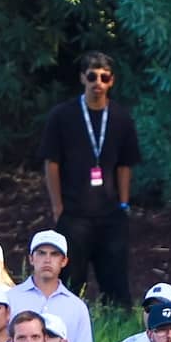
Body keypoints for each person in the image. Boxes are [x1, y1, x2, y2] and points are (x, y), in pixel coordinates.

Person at [41, 51, 138, 302]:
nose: (98, 83)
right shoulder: (62, 116)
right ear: (82, 78)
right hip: (74, 212)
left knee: (116, 283)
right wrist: (57, 207)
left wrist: (124, 204)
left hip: (111, 213)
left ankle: (117, 320)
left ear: (111, 81)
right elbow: (52, 162)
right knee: (71, 282)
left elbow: (125, 164)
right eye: (92, 76)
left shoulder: (121, 117)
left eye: (104, 77)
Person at [8, 231, 96, 342]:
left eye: (54, 254)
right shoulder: (10, 298)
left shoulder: (77, 307)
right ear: (31, 259)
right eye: (41, 253)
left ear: (64, 261)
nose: (47, 260)